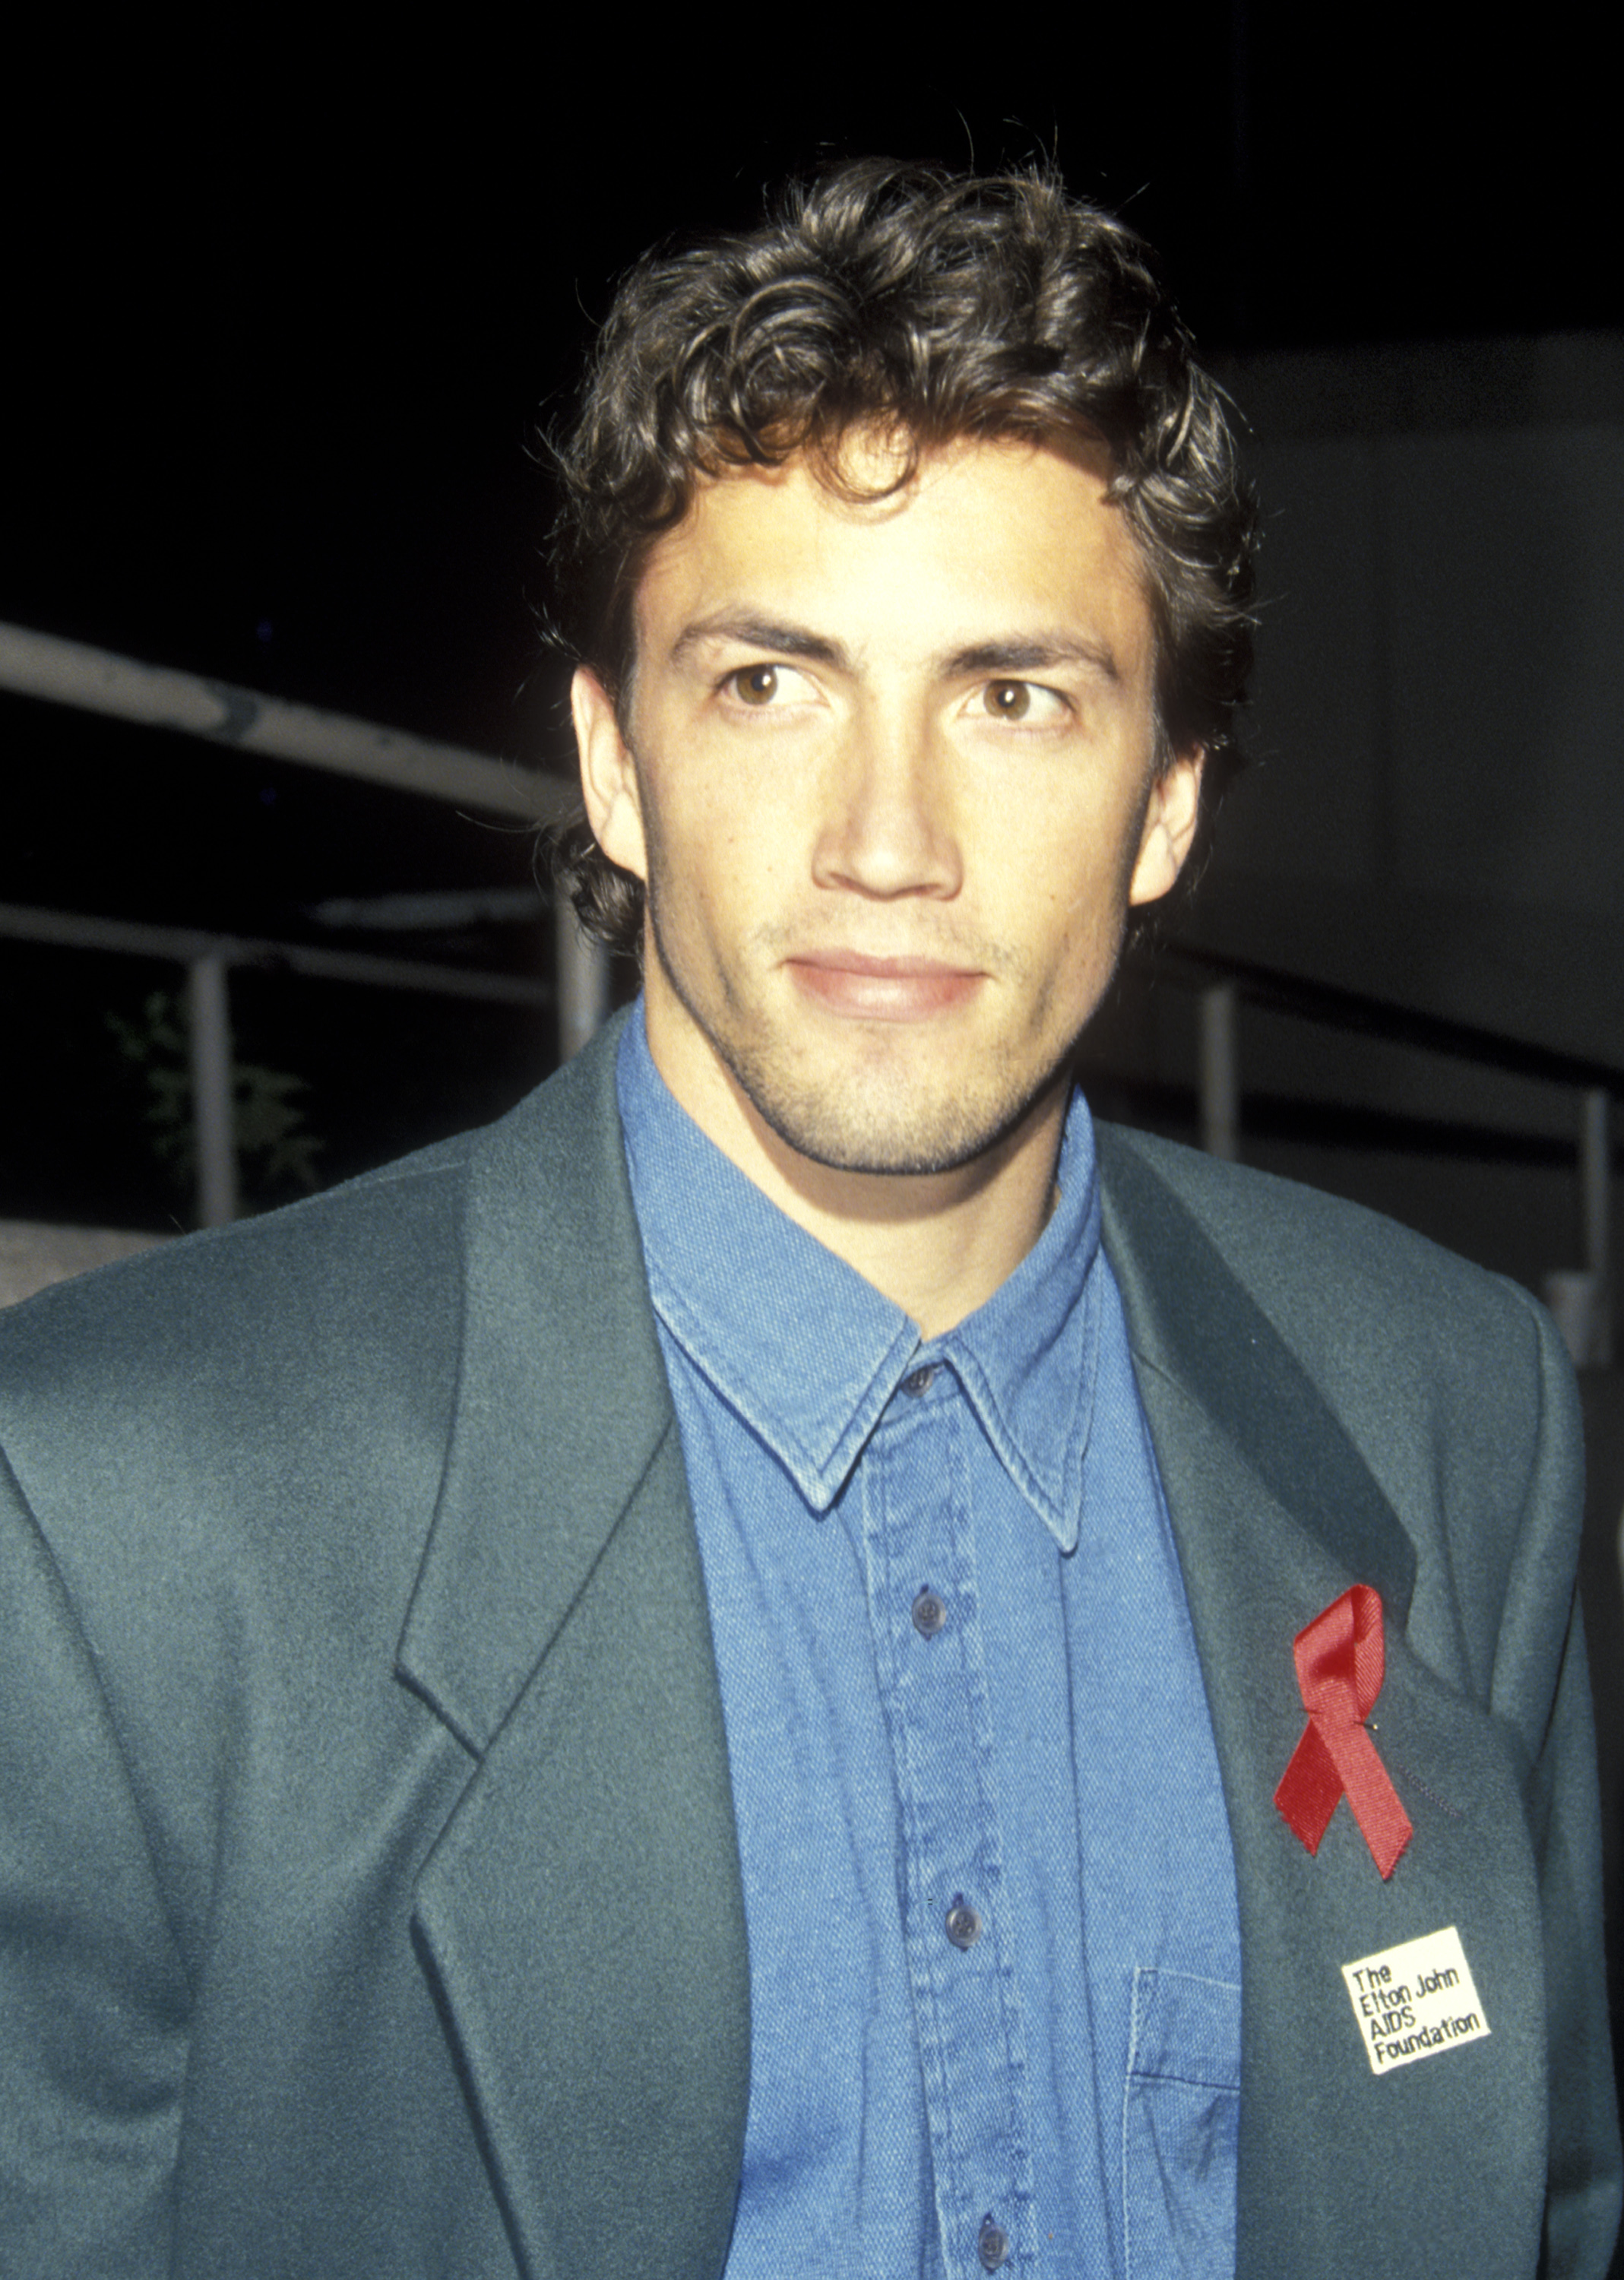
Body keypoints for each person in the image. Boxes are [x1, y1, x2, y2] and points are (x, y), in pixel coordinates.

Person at [0, 162, 1615, 2280]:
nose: (887, 842)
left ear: (1166, 805)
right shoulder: (110, 1511)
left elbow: (1538, 2199)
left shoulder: (1442, 1407)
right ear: (611, 762)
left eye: (1012, 696)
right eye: (770, 682)